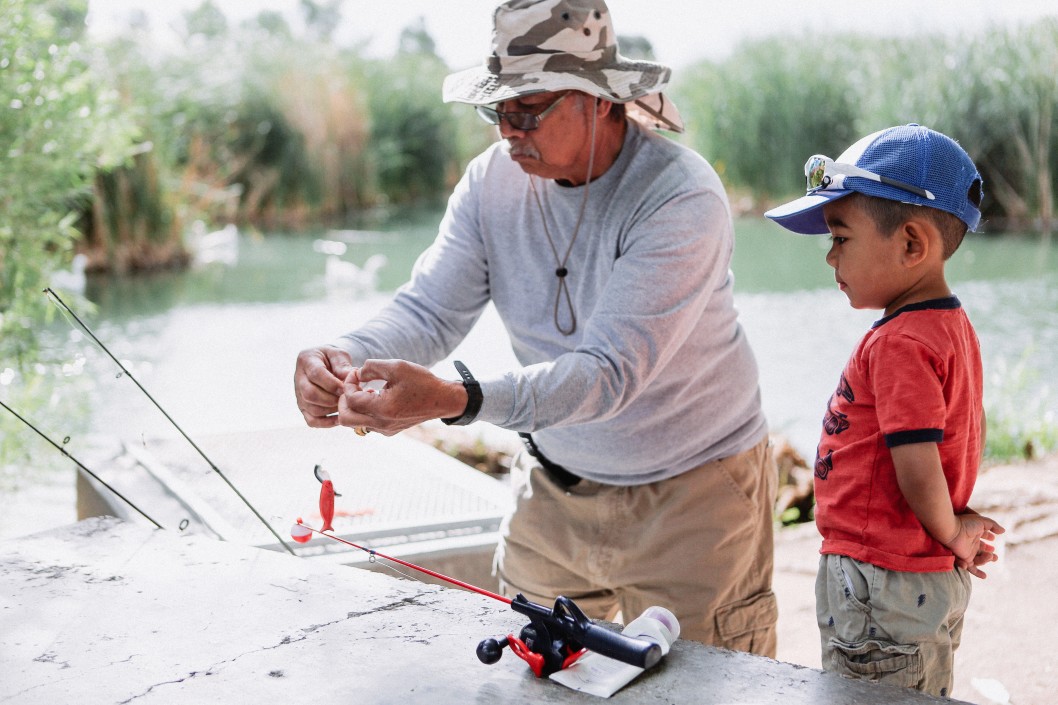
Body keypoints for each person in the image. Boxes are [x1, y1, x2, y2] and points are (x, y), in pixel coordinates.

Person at [294, 0, 777, 654]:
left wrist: (452, 399)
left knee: (706, 689)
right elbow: (430, 310)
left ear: (600, 100)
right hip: (552, 490)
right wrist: (345, 354)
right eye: (498, 110)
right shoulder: (489, 184)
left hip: (692, 500)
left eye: (529, 110)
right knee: (530, 679)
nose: (508, 131)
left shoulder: (679, 196)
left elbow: (606, 375)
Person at [765, 125, 1006, 696]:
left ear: (912, 245)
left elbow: (917, 460)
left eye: (841, 237)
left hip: (882, 580)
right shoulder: (949, 325)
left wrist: (952, 532)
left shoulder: (900, 341)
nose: (829, 256)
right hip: (917, 576)